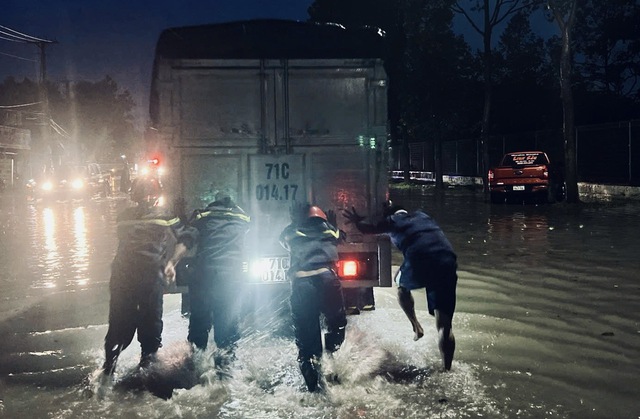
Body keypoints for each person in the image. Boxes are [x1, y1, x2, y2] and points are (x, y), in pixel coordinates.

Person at [343, 203, 457, 371]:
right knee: (444, 325)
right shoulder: (422, 215)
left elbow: (366, 229)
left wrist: (357, 220)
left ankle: (416, 326)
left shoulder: (393, 221)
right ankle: (447, 369)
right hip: (448, 260)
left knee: (400, 285)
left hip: (421, 259)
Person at [101, 176, 197, 376]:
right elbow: (186, 236)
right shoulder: (164, 216)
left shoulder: (123, 216)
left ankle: (107, 372)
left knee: (119, 323)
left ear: (133, 194)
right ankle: (146, 369)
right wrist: (172, 263)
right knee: (151, 325)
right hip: (150, 276)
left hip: (121, 277)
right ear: (156, 195)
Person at [279, 203, 347, 392]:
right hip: (328, 281)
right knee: (337, 323)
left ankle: (313, 387)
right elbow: (342, 237)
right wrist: (334, 225)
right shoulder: (331, 232)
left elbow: (282, 240)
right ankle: (331, 355)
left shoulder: (292, 232)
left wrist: (294, 222)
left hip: (302, 284)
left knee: (306, 340)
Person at [187, 191, 250, 361]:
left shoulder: (202, 215)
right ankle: (225, 372)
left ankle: (196, 365)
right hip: (231, 277)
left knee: (200, 321)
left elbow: (189, 230)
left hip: (205, 275)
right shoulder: (241, 217)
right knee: (227, 323)